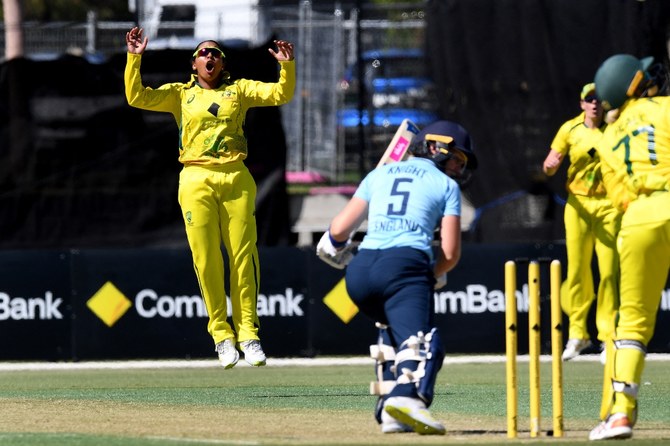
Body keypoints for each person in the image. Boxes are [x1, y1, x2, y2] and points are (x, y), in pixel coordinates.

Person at [124, 27, 295, 369]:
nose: (210, 57)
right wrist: (134, 58)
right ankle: (221, 335)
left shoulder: (239, 90)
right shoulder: (180, 94)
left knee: (243, 257)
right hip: (195, 178)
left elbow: (280, 94)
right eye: (204, 53)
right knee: (206, 260)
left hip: (235, 177)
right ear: (193, 64)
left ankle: (249, 333)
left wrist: (287, 67)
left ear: (223, 64)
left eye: (216, 53)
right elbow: (136, 97)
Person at [317, 120, 478, 435]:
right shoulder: (447, 187)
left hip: (360, 273)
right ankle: (408, 398)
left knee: (398, 334)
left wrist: (332, 245)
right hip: (405, 266)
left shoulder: (378, 175)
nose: (458, 168)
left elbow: (338, 231)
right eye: (457, 158)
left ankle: (392, 411)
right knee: (426, 342)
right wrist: (431, 275)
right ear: (436, 147)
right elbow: (450, 253)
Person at [588, 53, 669, 441]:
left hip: (639, 218)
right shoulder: (667, 107)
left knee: (632, 324)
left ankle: (620, 415)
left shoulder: (608, 137)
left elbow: (619, 198)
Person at [542, 83, 621, 362]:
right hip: (577, 205)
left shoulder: (615, 126)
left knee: (609, 271)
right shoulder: (570, 129)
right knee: (577, 271)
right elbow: (550, 164)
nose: (595, 104)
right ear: (582, 104)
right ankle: (578, 334)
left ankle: (608, 337)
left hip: (609, 205)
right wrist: (550, 165)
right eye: (589, 100)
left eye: (598, 100)